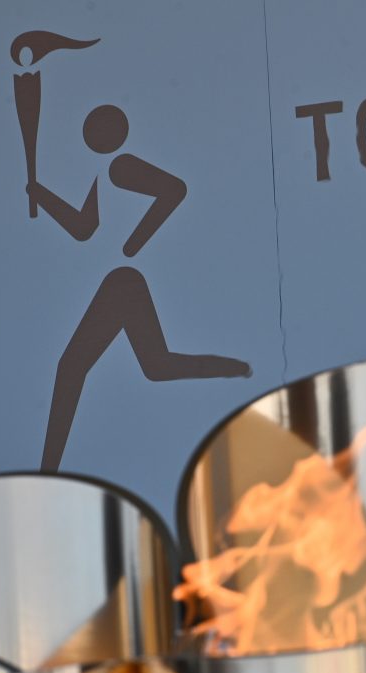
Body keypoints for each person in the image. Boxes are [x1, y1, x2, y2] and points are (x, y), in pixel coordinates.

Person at [26, 104, 251, 472]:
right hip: (121, 281)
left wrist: (136, 241)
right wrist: (42, 194)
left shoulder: (121, 167)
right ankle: (235, 367)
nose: (89, 133)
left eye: (96, 127)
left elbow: (173, 190)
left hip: (122, 282)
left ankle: (48, 469)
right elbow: (83, 227)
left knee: (71, 366)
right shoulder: (104, 175)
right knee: (155, 366)